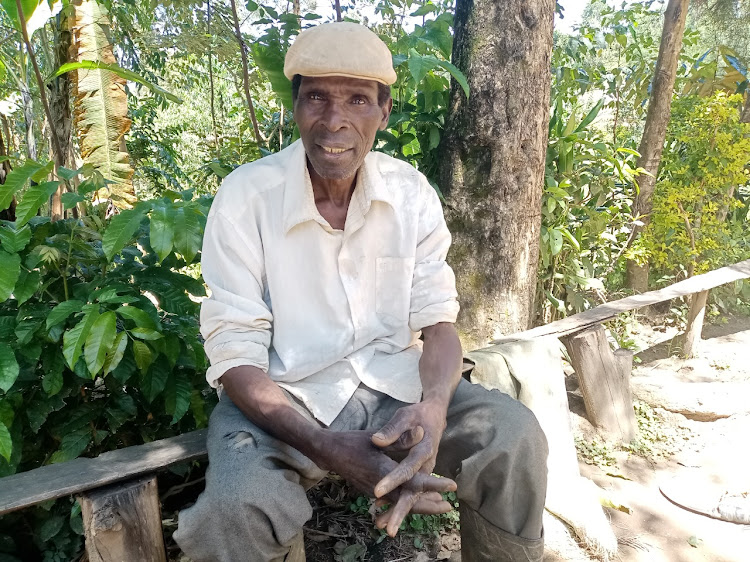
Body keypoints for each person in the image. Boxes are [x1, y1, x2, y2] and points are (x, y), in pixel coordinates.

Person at [174, 21, 548, 562]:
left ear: (384, 111)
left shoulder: (409, 193)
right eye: (317, 98)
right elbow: (235, 357)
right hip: (286, 397)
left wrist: (436, 409)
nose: (334, 121)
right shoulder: (246, 197)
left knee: (513, 437)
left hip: (395, 387)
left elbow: (440, 324)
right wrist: (324, 445)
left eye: (357, 100)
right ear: (296, 106)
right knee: (236, 507)